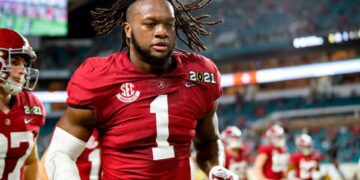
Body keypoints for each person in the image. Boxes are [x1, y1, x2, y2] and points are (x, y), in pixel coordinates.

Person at [45, 0, 238, 179]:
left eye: (169, 24)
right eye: (150, 24)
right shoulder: (99, 77)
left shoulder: (200, 74)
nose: (162, 32)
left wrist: (215, 168)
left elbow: (208, 143)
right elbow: (61, 152)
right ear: (128, 30)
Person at [0, 28, 44, 180]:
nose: (23, 71)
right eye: (14, 62)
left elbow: (31, 161)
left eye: (24, 64)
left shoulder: (31, 105)